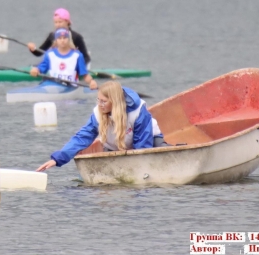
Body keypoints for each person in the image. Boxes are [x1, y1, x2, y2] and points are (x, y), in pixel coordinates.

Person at [36, 81, 164, 172]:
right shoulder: (98, 114)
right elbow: (81, 138)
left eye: (104, 101)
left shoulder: (138, 112)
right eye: (98, 100)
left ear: (114, 101)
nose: (100, 105)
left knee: (163, 152)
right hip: (115, 148)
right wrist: (58, 159)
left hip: (150, 143)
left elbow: (143, 145)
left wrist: (139, 170)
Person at [30, 28, 97, 89]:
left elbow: (85, 75)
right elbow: (40, 68)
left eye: (65, 38)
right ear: (56, 40)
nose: (62, 40)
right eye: (59, 38)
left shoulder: (77, 55)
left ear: (69, 39)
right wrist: (36, 70)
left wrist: (91, 82)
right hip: (52, 85)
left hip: (70, 87)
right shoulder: (49, 54)